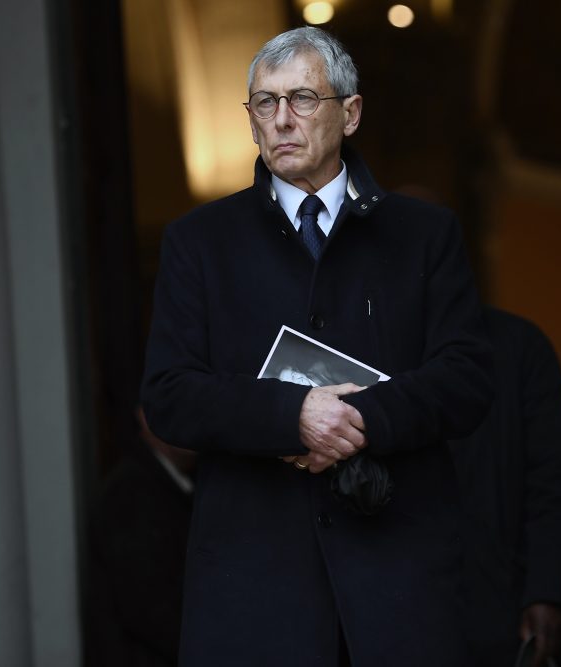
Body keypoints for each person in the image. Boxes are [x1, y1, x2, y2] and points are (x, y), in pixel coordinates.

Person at [141, 26, 492, 667]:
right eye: (264, 103)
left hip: (396, 583)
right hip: (257, 588)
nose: (281, 119)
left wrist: (359, 419)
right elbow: (169, 395)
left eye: (302, 98)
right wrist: (293, 416)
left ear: (350, 114)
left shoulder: (423, 235)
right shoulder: (200, 242)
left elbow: (466, 378)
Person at [449, 307, 561, 667]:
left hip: (494, 609)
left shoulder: (517, 345)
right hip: (388, 609)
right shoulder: (370, 337)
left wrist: (549, 590)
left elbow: (554, 479)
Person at [86, 408, 196, 666]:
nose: (193, 420)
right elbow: (149, 609)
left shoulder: (177, 483)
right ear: (144, 416)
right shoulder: (129, 495)